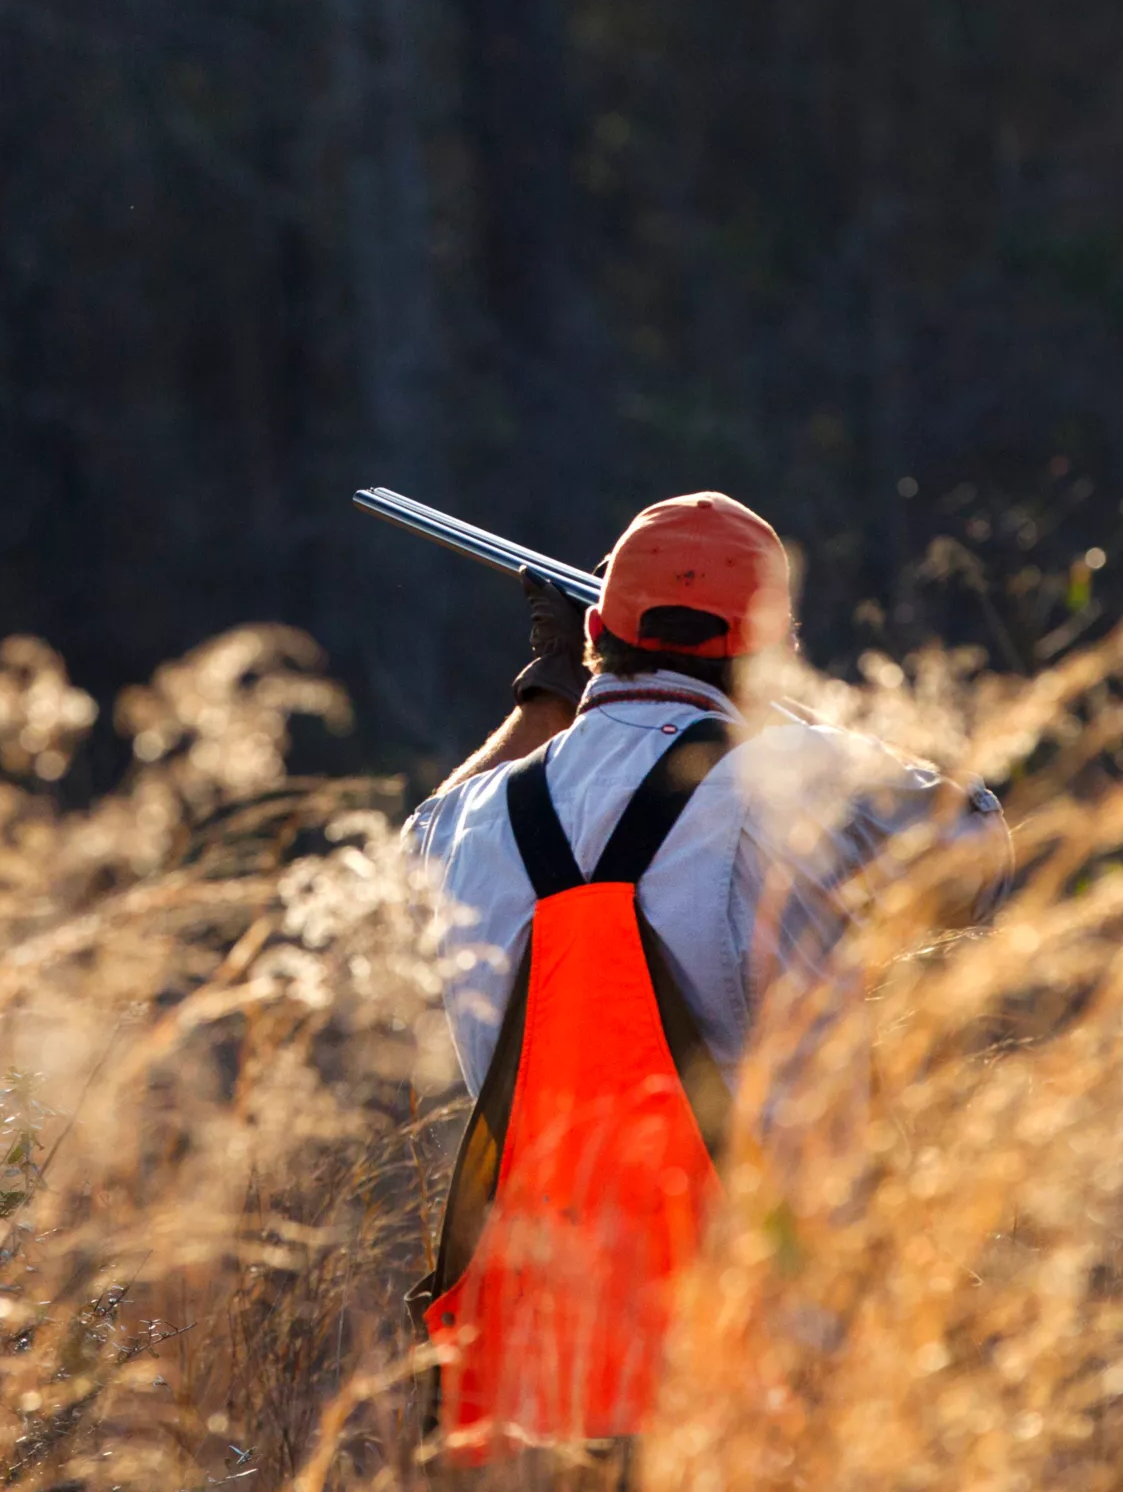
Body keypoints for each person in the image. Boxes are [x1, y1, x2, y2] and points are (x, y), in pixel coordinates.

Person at [404, 492, 1006, 1469]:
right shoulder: (796, 774)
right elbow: (981, 858)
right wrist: (790, 711)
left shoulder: (477, 818)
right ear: (768, 646)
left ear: (597, 630)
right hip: (770, 1346)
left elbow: (415, 838)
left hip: (539, 1372)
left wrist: (546, 688)